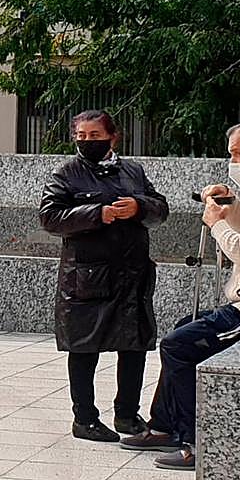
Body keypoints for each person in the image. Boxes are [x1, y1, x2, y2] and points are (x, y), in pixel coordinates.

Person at [121, 118, 240, 470]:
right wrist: (231, 205)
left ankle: (193, 443)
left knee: (178, 345)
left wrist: (217, 223)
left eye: (236, 154)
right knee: (186, 326)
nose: (233, 162)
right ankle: (164, 425)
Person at [40, 109, 169, 443]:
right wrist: (96, 213)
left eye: (94, 136)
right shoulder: (66, 173)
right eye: (81, 137)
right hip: (87, 277)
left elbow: (160, 208)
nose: (87, 143)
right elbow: (50, 217)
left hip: (131, 274)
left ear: (113, 137)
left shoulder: (133, 171)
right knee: (83, 348)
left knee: (134, 345)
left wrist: (139, 207)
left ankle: (127, 414)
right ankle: (84, 418)